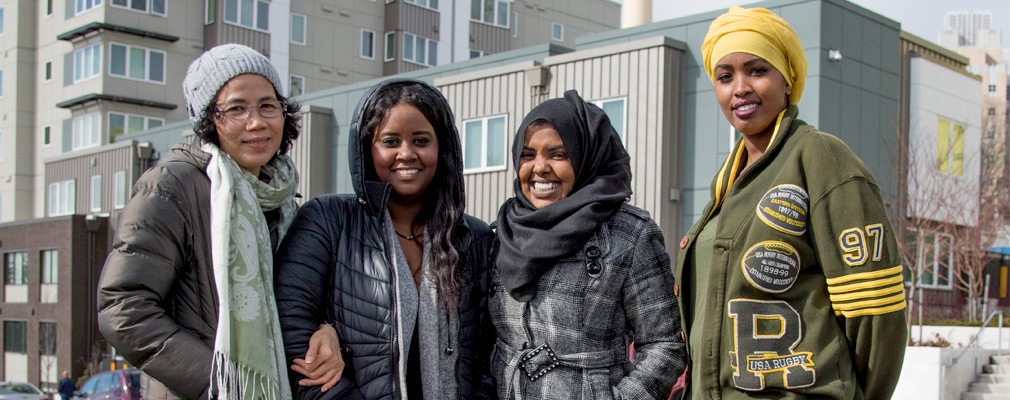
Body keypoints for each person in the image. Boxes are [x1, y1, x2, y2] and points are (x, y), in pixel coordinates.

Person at [675, 6, 907, 399]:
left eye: (757, 70)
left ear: (788, 80)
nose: (740, 88)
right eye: (725, 76)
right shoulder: (727, 181)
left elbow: (876, 316)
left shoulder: (822, 160)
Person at [97, 43, 301, 400]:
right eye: (236, 108)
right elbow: (123, 307)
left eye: (268, 105)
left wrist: (326, 331)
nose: (256, 121)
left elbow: (301, 300)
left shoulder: (281, 196)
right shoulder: (172, 186)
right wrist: (217, 384)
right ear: (210, 120)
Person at [274, 79, 496, 399]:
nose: (406, 154)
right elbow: (292, 332)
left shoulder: (473, 239)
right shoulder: (326, 220)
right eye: (390, 141)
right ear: (367, 148)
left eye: (421, 140)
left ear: (442, 148)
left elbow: (490, 353)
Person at [490, 90, 685, 399]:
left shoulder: (630, 234)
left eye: (558, 154)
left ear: (587, 157)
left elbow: (665, 346)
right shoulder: (500, 233)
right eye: (528, 155)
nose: (539, 167)